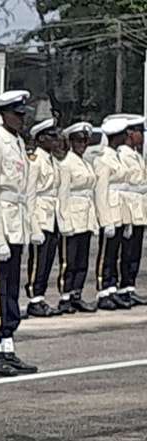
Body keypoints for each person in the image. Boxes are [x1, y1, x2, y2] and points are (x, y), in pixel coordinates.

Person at [0, 90, 39, 376]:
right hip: (1, 224)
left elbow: (24, 193)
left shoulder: (17, 143)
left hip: (16, 224)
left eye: (23, 114)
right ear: (3, 115)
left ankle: (8, 345)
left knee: (11, 289)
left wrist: (30, 226)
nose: (21, 119)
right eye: (16, 114)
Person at [24, 119, 67, 318]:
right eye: (51, 136)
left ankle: (41, 295)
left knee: (49, 258)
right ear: (40, 138)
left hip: (52, 215)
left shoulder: (52, 160)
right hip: (40, 214)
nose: (56, 140)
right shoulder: (35, 161)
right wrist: (33, 226)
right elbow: (30, 195)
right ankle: (34, 298)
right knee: (38, 260)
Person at [56, 122, 99, 313]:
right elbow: (63, 195)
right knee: (69, 261)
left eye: (85, 140)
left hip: (86, 216)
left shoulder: (86, 163)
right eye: (79, 140)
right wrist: (64, 221)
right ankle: (64, 297)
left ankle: (76, 294)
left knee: (82, 260)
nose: (83, 144)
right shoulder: (66, 165)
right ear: (71, 142)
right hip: (72, 215)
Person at [93, 117, 134, 310]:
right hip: (109, 210)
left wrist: (127, 220)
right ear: (115, 137)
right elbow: (101, 192)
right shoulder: (103, 159)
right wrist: (105, 219)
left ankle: (112, 288)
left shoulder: (117, 156)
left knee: (114, 253)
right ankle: (103, 291)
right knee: (106, 255)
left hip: (120, 210)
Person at [115, 115, 147, 306]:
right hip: (128, 208)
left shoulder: (136, 154)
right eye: (139, 132)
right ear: (129, 133)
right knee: (125, 251)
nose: (141, 137)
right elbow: (125, 185)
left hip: (139, 208)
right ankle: (122, 287)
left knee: (135, 250)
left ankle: (130, 286)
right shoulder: (122, 154)